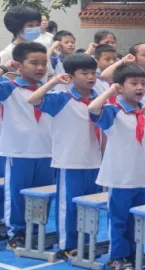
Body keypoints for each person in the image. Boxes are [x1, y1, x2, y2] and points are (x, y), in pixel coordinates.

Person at [88, 63, 145, 270]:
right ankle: (117, 256)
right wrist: (111, 90)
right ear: (120, 87)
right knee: (119, 219)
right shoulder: (113, 112)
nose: (139, 88)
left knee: (138, 218)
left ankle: (135, 252)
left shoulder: (144, 114)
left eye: (142, 84)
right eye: (133, 84)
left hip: (143, 175)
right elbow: (93, 109)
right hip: (121, 177)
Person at [29, 54, 103, 256]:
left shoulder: (98, 99)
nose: (90, 77)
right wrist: (54, 80)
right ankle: (67, 245)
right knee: (68, 206)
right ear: (70, 76)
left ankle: (85, 242)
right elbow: (33, 99)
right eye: (84, 73)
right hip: (70, 162)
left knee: (90, 205)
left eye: (93, 73)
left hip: (95, 161)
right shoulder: (62, 99)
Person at [1, 41, 54, 249]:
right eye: (33, 63)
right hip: (19, 151)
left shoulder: (48, 90)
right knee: (16, 195)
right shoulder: (8, 88)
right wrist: (6, 68)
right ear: (19, 65)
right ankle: (16, 232)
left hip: (47, 152)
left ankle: (36, 230)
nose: (40, 68)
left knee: (42, 195)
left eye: (43, 63)